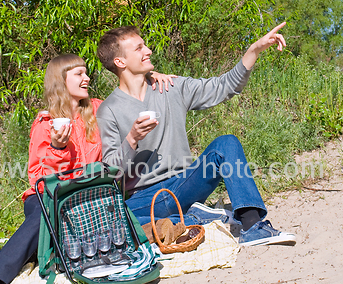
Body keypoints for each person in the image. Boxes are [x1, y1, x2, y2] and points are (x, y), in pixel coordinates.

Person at [0, 54, 174, 284]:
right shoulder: (45, 124)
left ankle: (45, 251)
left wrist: (149, 78)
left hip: (90, 196)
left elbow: (132, 102)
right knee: (45, 213)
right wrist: (58, 149)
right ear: (61, 82)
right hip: (49, 198)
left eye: (87, 73)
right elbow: (38, 180)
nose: (87, 78)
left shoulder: (99, 110)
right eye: (79, 74)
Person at [95, 23, 297, 247]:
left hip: (184, 184)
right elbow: (111, 172)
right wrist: (132, 138)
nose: (148, 50)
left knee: (226, 144)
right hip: (144, 198)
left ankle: (252, 226)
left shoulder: (171, 87)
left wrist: (254, 50)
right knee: (119, 222)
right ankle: (198, 217)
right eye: (139, 48)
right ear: (120, 62)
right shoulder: (108, 110)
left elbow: (225, 86)